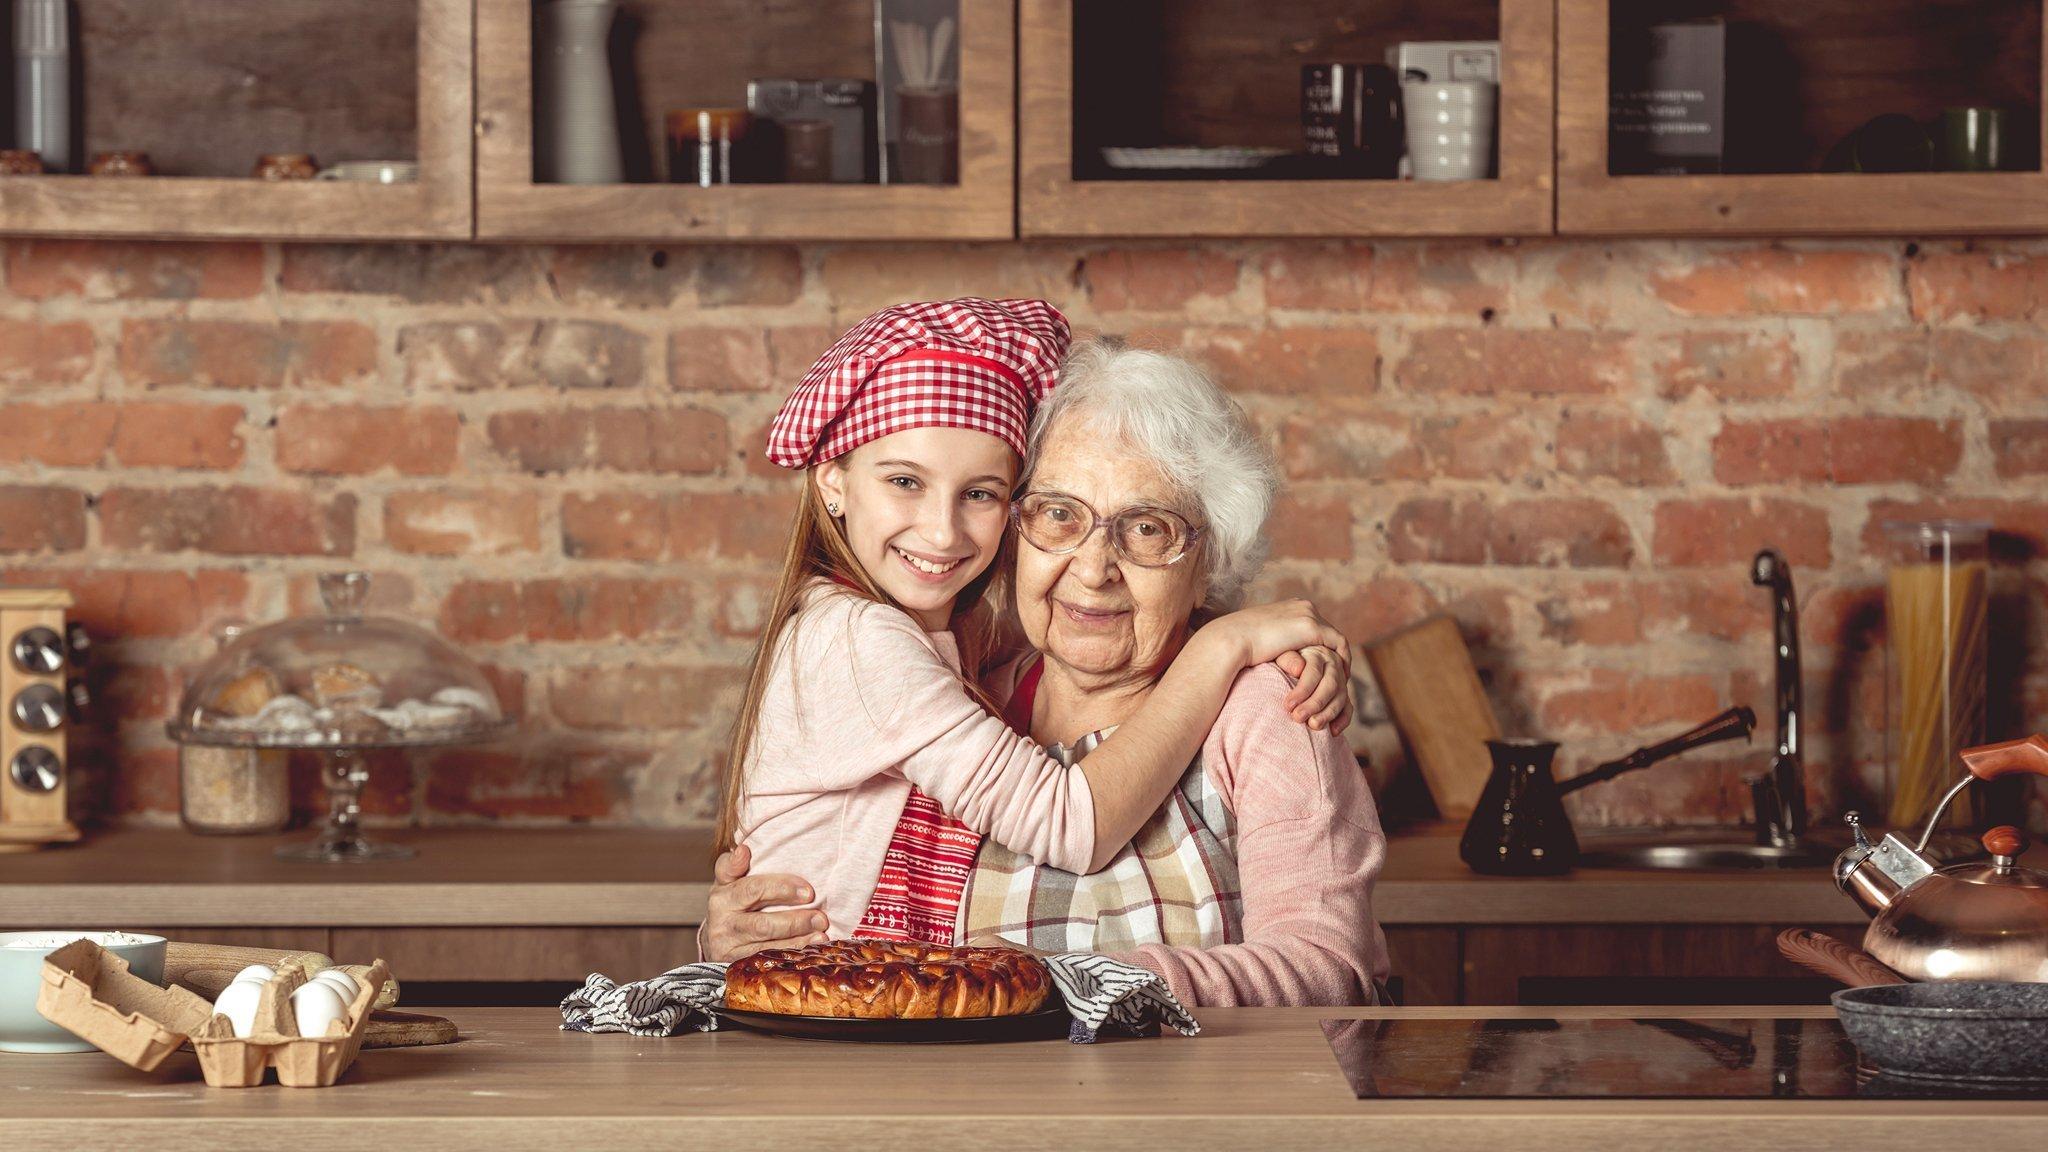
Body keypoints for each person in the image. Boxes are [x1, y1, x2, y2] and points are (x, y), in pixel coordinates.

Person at [708, 338, 1391, 1006]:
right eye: (1059, 515)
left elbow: (1330, 971)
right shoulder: (970, 689)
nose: (1093, 570)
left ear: (1210, 561)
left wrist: (1067, 987)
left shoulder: (1267, 706)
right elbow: (836, 896)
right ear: (1016, 533)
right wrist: (733, 944)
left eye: (1148, 528)